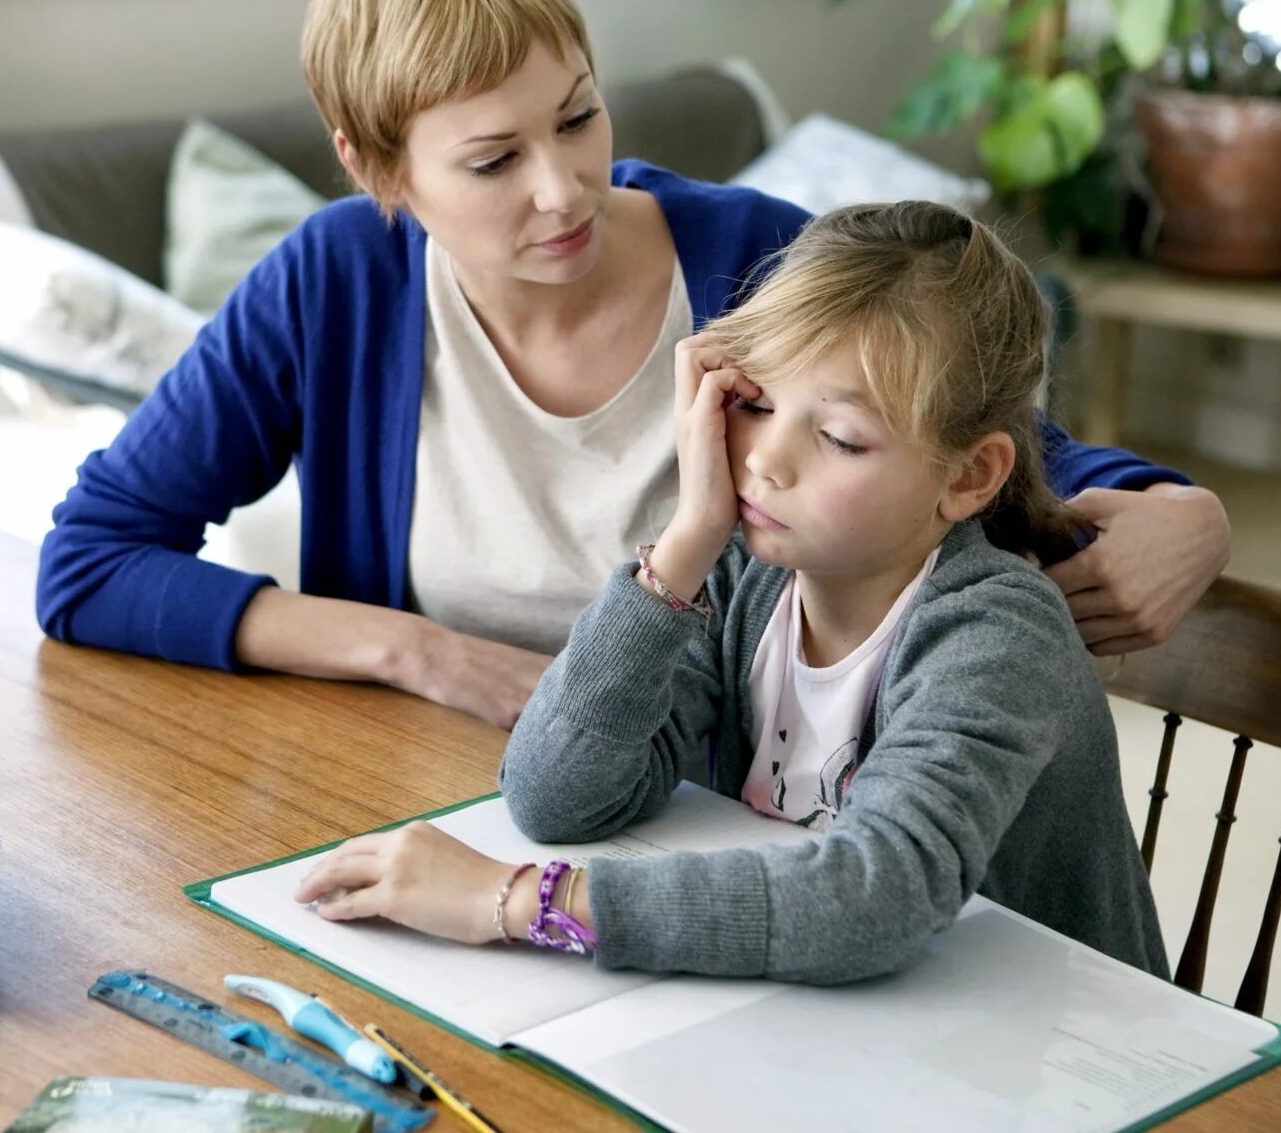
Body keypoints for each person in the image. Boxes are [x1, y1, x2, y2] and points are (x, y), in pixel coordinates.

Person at [35, 0, 1230, 729]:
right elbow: (90, 560)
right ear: (378, 169)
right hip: (449, 794)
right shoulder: (333, 282)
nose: (564, 191)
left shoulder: (753, 258)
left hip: (749, 822)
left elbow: (993, 446)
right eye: (493, 160)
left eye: (578, 117)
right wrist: (421, 655)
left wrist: (1185, 506)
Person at [292, 201, 1168, 982]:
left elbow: (874, 899)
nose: (763, 459)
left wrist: (521, 901)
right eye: (753, 401)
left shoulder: (995, 634)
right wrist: (681, 547)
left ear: (970, 476)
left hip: (1055, 1058)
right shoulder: (747, 578)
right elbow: (556, 794)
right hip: (847, 1033)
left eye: (838, 437)